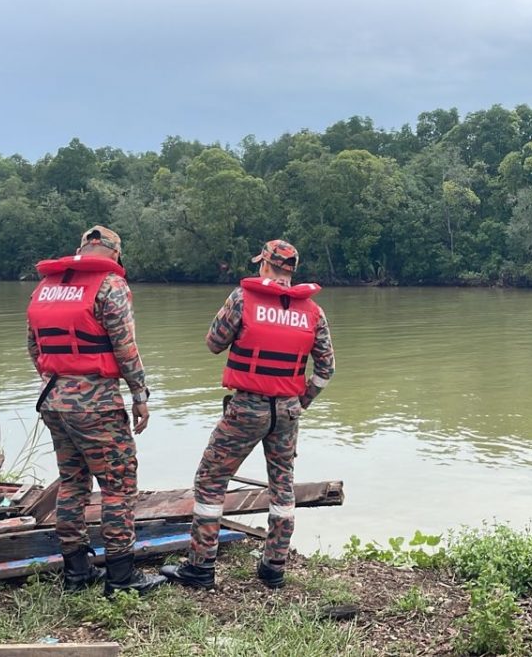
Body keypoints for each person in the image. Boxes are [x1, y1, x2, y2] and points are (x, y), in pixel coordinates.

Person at [163, 239, 335, 590]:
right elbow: (326, 368)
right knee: (282, 484)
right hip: (287, 410)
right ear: (292, 271)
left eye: (261, 263)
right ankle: (273, 569)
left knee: (210, 481)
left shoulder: (242, 298)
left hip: (246, 408)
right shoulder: (313, 311)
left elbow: (213, 342)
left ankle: (200, 568)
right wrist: (304, 400)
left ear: (266, 266)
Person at [26, 226, 166, 596]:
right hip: (97, 405)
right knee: (118, 487)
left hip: (53, 400)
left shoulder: (46, 286)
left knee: (72, 482)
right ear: (116, 255)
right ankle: (121, 577)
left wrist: (59, 379)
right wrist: (139, 394)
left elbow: (33, 346)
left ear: (80, 250)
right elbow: (125, 347)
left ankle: (77, 572)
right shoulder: (110, 285)